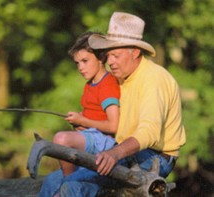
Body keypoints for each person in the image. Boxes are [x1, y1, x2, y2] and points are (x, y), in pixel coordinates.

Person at [50, 12, 186, 197]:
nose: (110, 62)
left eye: (116, 55)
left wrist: (115, 153)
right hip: (124, 149)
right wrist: (87, 123)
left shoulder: (154, 79)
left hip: (154, 156)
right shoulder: (121, 76)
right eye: (108, 56)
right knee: (54, 181)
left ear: (135, 52)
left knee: (75, 184)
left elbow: (149, 132)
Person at [38, 31, 120, 196]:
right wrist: (80, 120)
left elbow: (114, 125)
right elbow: (94, 114)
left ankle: (69, 181)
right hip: (92, 136)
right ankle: (69, 180)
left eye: (85, 61)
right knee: (49, 181)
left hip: (106, 142)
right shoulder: (90, 84)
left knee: (61, 139)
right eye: (77, 63)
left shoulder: (108, 84)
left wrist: (84, 120)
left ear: (100, 58)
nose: (80, 67)